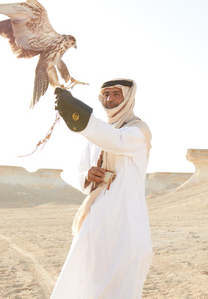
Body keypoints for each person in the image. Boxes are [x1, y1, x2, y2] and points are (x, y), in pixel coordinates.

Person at [51, 79, 153, 299]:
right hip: (96, 219)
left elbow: (114, 141)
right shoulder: (95, 137)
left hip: (127, 220)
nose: (110, 99)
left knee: (124, 279)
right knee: (88, 279)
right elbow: (74, 171)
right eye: (105, 95)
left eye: (116, 94)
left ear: (128, 97)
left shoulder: (137, 132)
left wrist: (78, 115)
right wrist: (86, 175)